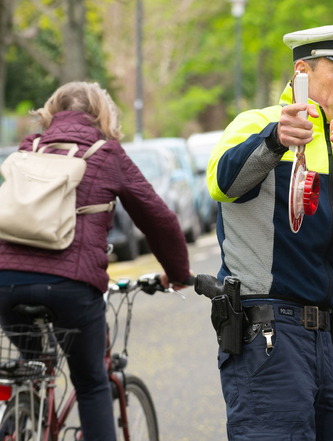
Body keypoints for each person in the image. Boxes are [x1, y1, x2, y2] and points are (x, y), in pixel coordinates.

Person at [205, 21, 333, 441]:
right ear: (302, 73)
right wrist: (274, 140)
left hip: (320, 339)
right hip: (267, 335)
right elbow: (222, 183)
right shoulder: (255, 123)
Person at [0, 81, 192, 441]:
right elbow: (157, 218)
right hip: (70, 287)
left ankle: (20, 417)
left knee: (33, 367)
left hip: (5, 280)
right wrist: (177, 272)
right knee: (90, 382)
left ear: (51, 111)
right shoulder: (107, 153)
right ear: (102, 114)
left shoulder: (30, 147)